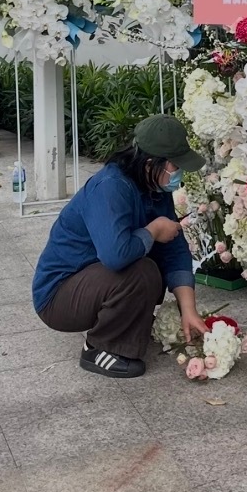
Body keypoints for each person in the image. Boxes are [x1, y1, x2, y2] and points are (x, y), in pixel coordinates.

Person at [32, 114, 208, 379]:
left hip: (94, 280)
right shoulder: (111, 187)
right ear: (150, 164)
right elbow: (116, 256)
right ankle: (98, 348)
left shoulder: (154, 186)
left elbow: (174, 249)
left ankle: (126, 326)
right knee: (142, 271)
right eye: (176, 166)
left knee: (153, 260)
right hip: (59, 296)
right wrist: (153, 230)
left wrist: (189, 310)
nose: (179, 175)